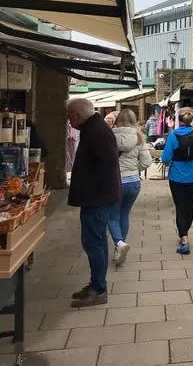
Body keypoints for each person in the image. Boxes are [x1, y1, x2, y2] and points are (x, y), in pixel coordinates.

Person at [66, 98, 121, 307]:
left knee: (94, 243)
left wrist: (91, 191)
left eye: (70, 115)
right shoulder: (94, 129)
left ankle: (99, 289)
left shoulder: (96, 132)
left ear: (78, 115)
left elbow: (106, 167)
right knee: (95, 242)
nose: (69, 120)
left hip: (97, 199)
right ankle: (97, 284)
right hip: (97, 198)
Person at [161, 107, 193, 254]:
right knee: (188, 206)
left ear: (178, 120)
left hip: (176, 178)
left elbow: (165, 158)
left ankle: (184, 239)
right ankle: (184, 231)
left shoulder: (173, 136)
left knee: (180, 207)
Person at [108, 109, 152, 266]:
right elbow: (146, 162)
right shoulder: (139, 137)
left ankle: (119, 244)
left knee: (112, 216)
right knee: (124, 214)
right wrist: (134, 169)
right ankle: (119, 246)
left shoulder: (109, 136)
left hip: (114, 182)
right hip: (133, 182)